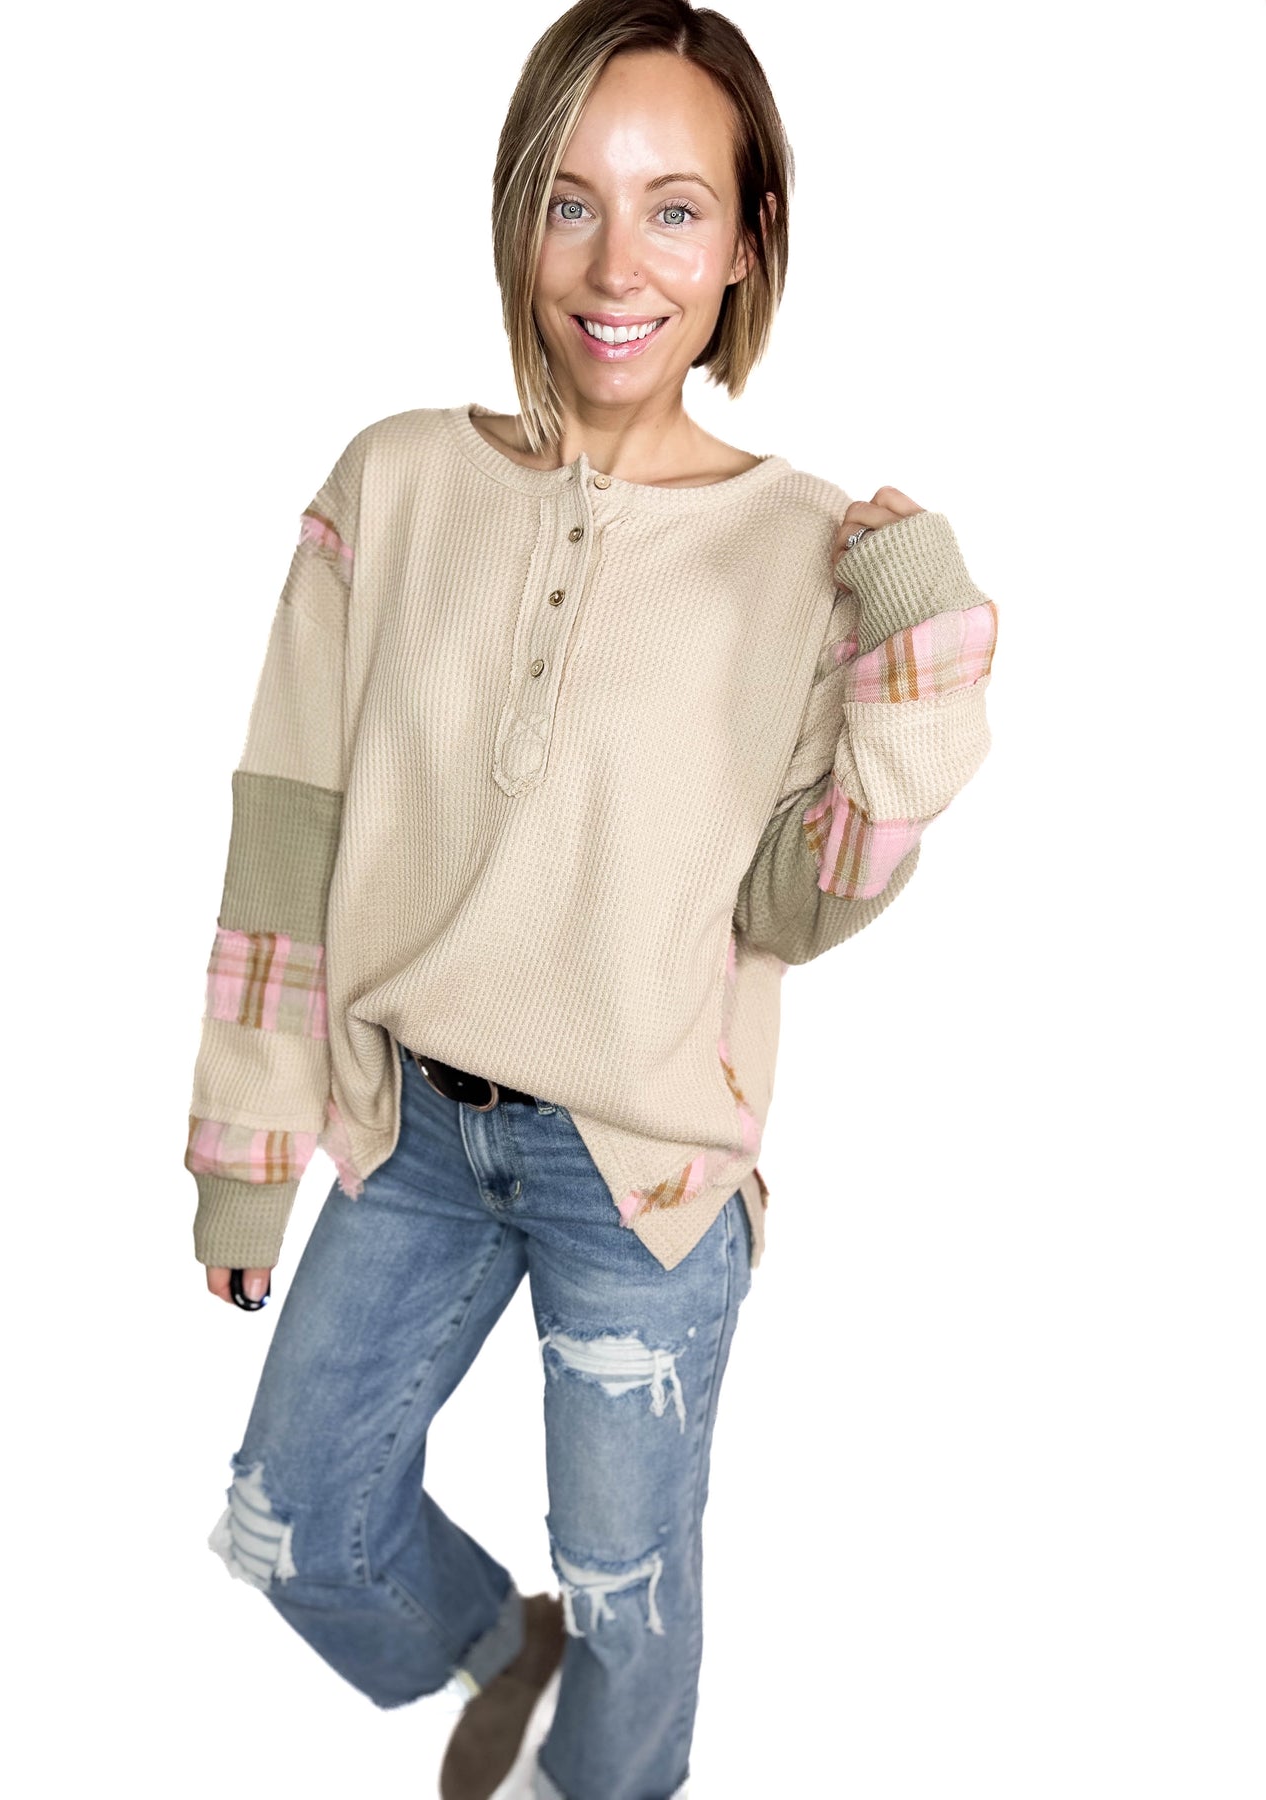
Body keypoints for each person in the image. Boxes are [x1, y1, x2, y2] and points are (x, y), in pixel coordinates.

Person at [184, 2, 999, 1795]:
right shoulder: (390, 482)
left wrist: (920, 649)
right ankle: (508, 1661)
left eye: (673, 210)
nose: (616, 266)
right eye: (570, 203)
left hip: (638, 1168)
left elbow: (796, 907)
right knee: (292, 1519)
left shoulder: (798, 552)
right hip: (405, 1132)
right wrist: (244, 1148)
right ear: (517, 218)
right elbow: (287, 836)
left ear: (747, 246)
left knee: (631, 1586)